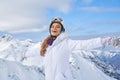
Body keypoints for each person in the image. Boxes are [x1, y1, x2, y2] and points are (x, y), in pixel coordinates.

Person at [40, 17, 111, 80]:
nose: (54, 28)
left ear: (62, 30)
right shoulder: (47, 44)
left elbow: (84, 44)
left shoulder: (66, 43)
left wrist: (103, 41)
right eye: (52, 26)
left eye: (58, 26)